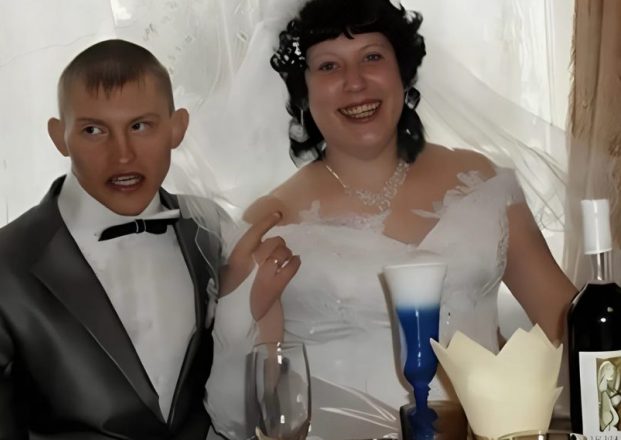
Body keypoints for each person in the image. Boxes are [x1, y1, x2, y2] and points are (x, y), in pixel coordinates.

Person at [204, 1, 577, 439]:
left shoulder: (483, 183)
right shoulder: (272, 221)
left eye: (372, 57)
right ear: (303, 92)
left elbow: (571, 325)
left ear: (403, 72)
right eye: (329, 66)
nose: (355, 82)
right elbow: (252, 411)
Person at [0, 39, 296, 440]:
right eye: (93, 130)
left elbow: (243, 393)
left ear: (177, 128)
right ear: (59, 136)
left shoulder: (208, 229)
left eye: (140, 126)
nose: (122, 155)